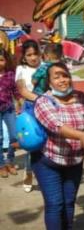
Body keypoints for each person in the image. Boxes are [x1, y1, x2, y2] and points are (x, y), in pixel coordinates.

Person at [33, 62, 84, 230]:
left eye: (65, 75)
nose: (62, 80)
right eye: (57, 76)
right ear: (49, 82)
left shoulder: (82, 97)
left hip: (74, 161)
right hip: (48, 161)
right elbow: (57, 126)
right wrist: (82, 135)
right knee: (55, 204)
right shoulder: (43, 101)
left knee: (69, 203)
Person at [15, 39, 41, 192]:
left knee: (47, 143)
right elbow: (23, 91)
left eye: (35, 53)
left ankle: (45, 175)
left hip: (48, 108)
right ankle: (29, 172)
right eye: (29, 55)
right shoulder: (21, 69)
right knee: (31, 143)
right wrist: (40, 99)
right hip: (31, 109)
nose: (33, 57)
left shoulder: (45, 66)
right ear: (24, 57)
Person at [0, 48, 20, 177]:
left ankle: (10, 160)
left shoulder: (10, 74)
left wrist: (20, 103)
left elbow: (16, 91)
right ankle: (1, 165)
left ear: (6, 61)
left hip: (9, 108)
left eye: (1, 60)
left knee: (14, 135)